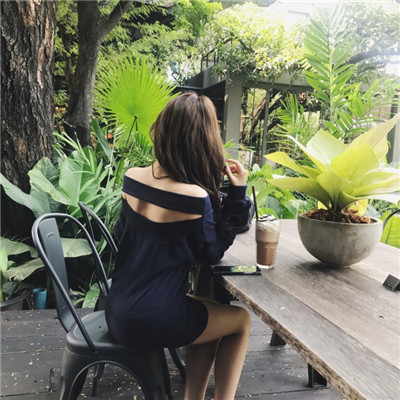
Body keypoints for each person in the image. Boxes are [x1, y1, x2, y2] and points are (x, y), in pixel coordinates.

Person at [105, 91, 252, 400]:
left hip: (118, 308)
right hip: (152, 319)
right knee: (240, 321)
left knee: (205, 309)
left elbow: (124, 237)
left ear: (164, 130)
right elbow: (211, 253)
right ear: (204, 141)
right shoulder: (193, 197)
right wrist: (237, 195)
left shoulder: (132, 177)